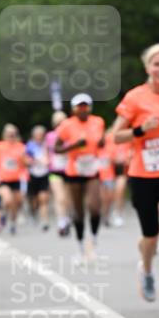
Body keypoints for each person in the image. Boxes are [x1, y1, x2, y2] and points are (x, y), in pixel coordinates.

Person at [113, 44, 159, 313]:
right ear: (148, 68)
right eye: (157, 64)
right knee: (150, 236)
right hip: (142, 173)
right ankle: (146, 268)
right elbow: (116, 135)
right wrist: (142, 129)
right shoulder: (135, 98)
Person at [54, 94, 105, 262]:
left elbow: (101, 140)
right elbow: (57, 149)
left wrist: (101, 143)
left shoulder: (98, 121)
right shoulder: (66, 125)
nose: (83, 109)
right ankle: (80, 246)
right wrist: (75, 145)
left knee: (95, 206)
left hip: (92, 168)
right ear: (73, 109)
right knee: (78, 211)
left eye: (86, 106)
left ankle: (95, 240)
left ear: (90, 107)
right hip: (74, 170)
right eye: (79, 106)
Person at [0, 124, 29, 234]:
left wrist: (29, 162)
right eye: (9, 134)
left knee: (16, 203)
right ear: (4, 135)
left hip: (16, 179)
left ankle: (12, 223)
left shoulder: (21, 147)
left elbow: (25, 162)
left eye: (13, 134)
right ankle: (1, 217)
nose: (11, 136)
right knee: (7, 199)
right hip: (3, 179)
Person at [46, 111, 71, 236]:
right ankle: (61, 221)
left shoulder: (71, 135)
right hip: (55, 170)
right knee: (59, 197)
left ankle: (66, 218)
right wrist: (46, 161)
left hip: (68, 170)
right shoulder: (50, 136)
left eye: (63, 122)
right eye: (58, 122)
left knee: (66, 199)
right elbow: (46, 150)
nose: (60, 125)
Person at [25, 125, 51, 230]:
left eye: (41, 134)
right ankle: (33, 212)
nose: (39, 136)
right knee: (34, 199)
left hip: (44, 174)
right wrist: (33, 161)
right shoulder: (30, 145)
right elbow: (25, 159)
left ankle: (44, 221)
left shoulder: (46, 145)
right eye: (37, 134)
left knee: (43, 198)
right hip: (33, 175)